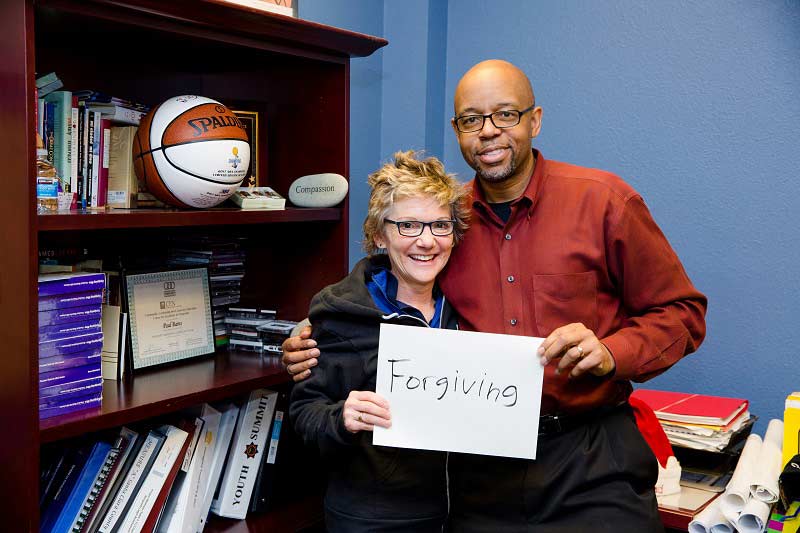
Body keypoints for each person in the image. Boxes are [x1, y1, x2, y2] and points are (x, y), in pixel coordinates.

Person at [285, 60, 707, 532]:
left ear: (535, 120)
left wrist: (611, 352)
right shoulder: (445, 220)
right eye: (471, 119)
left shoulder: (603, 201)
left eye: (505, 114)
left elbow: (683, 312)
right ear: (457, 130)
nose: (488, 132)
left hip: (589, 460)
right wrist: (307, 337)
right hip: (480, 473)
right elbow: (381, 288)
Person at [289, 150, 470, 532]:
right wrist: (342, 417)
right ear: (379, 235)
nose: (426, 241)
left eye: (440, 225)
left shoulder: (469, 307)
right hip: (376, 519)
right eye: (408, 226)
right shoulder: (341, 314)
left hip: (467, 512)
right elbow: (305, 414)